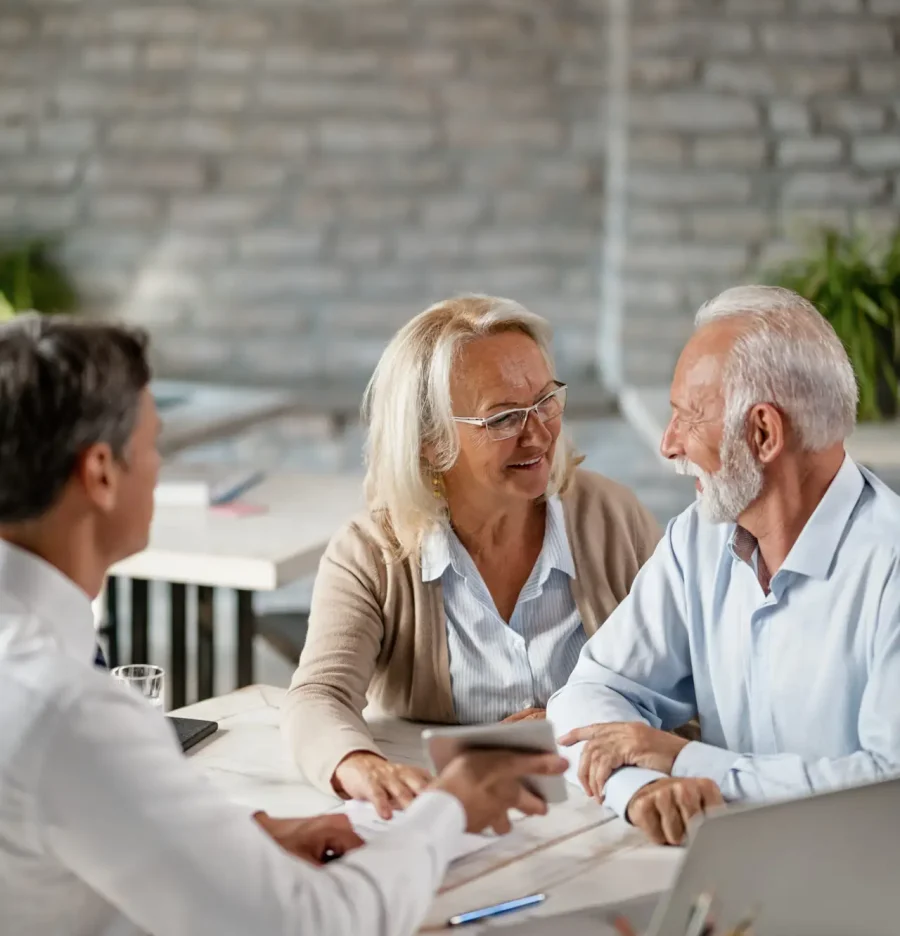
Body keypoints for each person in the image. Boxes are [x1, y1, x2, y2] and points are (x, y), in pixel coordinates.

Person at [0, 314, 568, 936]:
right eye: (153, 445)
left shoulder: (41, 672)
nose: (162, 469)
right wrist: (448, 809)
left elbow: (79, 827)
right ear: (101, 473)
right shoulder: (71, 710)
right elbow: (312, 923)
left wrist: (243, 843)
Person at [282, 295, 664, 817]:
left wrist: (581, 728)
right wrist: (360, 764)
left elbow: (683, 690)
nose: (539, 432)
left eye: (546, 400)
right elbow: (317, 697)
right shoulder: (371, 552)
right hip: (450, 820)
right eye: (504, 417)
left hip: (607, 815)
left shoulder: (613, 519)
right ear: (430, 442)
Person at [547, 285, 900, 847]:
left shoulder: (890, 566)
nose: (668, 444)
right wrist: (640, 788)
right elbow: (586, 696)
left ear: (763, 433)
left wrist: (688, 761)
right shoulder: (699, 538)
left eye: (687, 417)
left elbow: (886, 792)